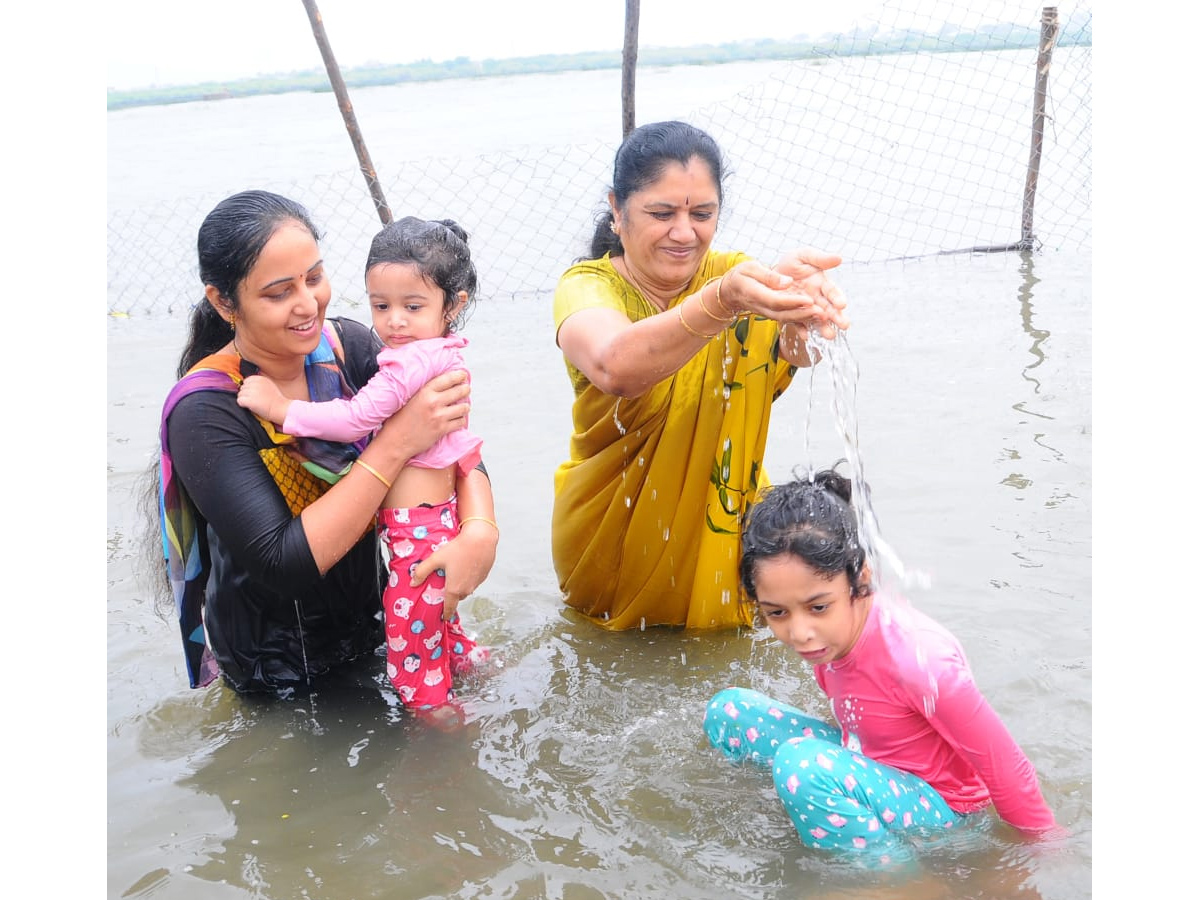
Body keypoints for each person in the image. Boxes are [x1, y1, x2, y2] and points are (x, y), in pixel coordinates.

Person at [156, 190, 498, 698]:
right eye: (278, 293)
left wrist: (480, 531)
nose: (307, 304)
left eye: (314, 278)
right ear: (224, 302)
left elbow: (449, 443)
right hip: (280, 669)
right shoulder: (206, 411)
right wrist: (394, 445)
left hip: (380, 624)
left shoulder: (351, 348)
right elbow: (283, 564)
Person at [551, 119, 850, 630]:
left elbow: (792, 355)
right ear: (617, 210)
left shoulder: (732, 275)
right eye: (661, 213)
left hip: (732, 533)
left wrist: (804, 310)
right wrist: (721, 303)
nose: (685, 232)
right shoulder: (587, 286)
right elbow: (614, 365)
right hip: (612, 546)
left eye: (703, 214)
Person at [703, 467, 1062, 861]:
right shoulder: (830, 637)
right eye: (776, 613)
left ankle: (898, 879)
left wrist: (1039, 858)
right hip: (876, 768)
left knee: (800, 767)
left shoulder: (920, 663)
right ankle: (827, 808)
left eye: (817, 607)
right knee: (730, 711)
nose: (799, 632)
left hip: (946, 811)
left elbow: (1006, 766)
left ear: (861, 579)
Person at [237, 216, 495, 716]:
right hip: (442, 524)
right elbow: (465, 448)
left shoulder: (404, 364)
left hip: (415, 541)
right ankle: (484, 687)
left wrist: (279, 408)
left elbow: (355, 419)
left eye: (412, 307)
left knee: (413, 668)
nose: (394, 322)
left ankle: (443, 740)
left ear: (454, 305)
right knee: (443, 633)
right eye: (381, 306)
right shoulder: (445, 354)